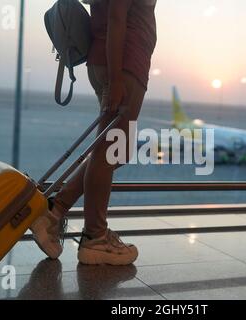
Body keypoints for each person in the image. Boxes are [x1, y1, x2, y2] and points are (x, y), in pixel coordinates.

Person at [31, 0, 157, 265]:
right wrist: (117, 79)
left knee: (114, 152)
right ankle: (95, 238)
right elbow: (116, 19)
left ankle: (54, 213)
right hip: (123, 64)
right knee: (109, 153)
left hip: (115, 62)